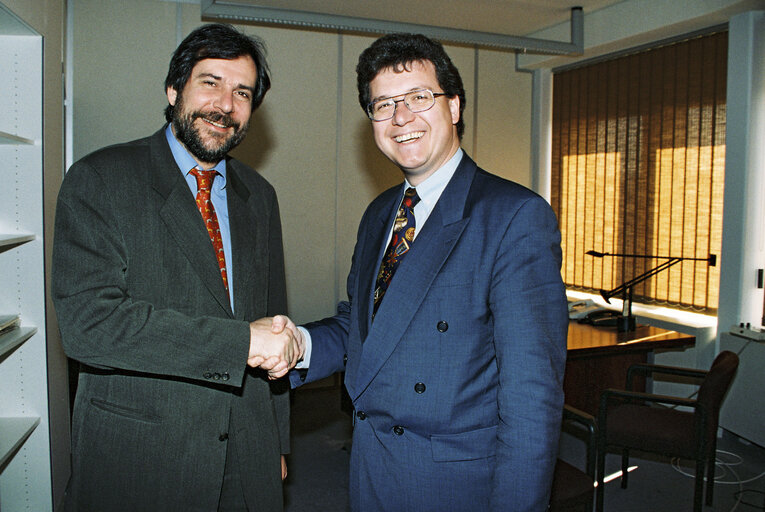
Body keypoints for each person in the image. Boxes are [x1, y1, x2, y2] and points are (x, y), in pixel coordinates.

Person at [279, 33, 569, 511]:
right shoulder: (379, 214)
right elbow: (365, 330)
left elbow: (531, 398)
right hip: (372, 468)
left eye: (418, 97)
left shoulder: (513, 215)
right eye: (384, 104)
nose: (401, 117)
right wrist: (297, 345)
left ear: (454, 106)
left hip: (454, 484)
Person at [52, 23, 300, 511]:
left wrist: (276, 439)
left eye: (242, 92)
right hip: (143, 454)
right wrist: (241, 342)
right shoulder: (100, 178)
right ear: (173, 89)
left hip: (246, 449)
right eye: (210, 82)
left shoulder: (260, 196)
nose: (226, 105)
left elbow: (274, 317)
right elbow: (88, 327)